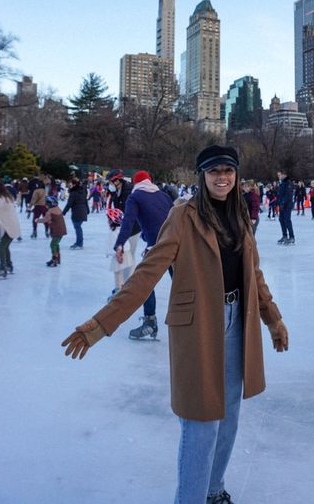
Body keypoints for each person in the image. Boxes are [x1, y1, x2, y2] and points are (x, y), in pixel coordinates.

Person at [62, 144, 288, 504]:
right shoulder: (184, 215)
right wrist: (101, 324)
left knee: (228, 416)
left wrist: (272, 318)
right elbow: (149, 272)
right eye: (214, 171)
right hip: (199, 324)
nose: (222, 177)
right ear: (202, 176)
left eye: (228, 170)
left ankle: (214, 490)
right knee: (201, 422)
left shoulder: (240, 213)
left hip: (238, 322)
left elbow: (253, 273)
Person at [113, 169, 173, 339]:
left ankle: (150, 322)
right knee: (181, 284)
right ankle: (195, 322)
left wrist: (119, 244)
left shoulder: (135, 196)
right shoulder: (163, 196)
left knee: (145, 283)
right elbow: (174, 220)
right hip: (176, 244)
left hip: (157, 248)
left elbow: (128, 223)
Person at [0, 182, 21, 279]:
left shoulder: (1, 200)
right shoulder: (7, 198)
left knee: (1, 247)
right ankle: (8, 265)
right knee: (5, 247)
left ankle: (3, 268)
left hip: (9, 227)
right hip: (10, 226)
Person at [38, 195, 67, 267]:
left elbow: (45, 219)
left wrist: (37, 220)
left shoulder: (50, 211)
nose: (46, 205)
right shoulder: (58, 209)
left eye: (47, 203)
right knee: (56, 244)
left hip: (56, 231)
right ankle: (58, 258)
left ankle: (54, 260)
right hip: (61, 230)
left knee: (53, 244)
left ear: (51, 204)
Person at [62, 177, 89, 249]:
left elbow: (69, 204)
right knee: (78, 227)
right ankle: (79, 242)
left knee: (77, 227)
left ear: (74, 184)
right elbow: (85, 201)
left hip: (77, 212)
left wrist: (63, 212)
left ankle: (79, 243)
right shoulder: (82, 191)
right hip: (83, 211)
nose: (70, 185)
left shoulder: (73, 193)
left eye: (71, 184)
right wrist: (87, 210)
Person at [277, 169, 295, 244]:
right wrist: (278, 202)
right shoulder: (282, 183)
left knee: (287, 220)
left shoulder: (288, 183)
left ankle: (292, 237)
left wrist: (283, 202)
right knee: (281, 219)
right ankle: (284, 235)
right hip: (282, 205)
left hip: (287, 205)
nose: (278, 176)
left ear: (284, 174)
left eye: (279, 175)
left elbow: (288, 195)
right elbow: (280, 194)